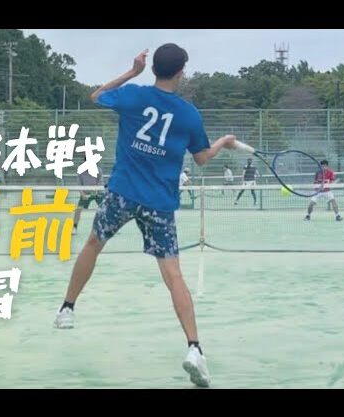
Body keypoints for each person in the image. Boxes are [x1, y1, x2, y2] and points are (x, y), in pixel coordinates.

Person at [52, 44, 238, 387]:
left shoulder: (133, 95)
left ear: (152, 68)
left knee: (93, 244)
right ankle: (194, 348)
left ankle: (67, 308)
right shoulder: (188, 115)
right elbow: (202, 159)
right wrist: (223, 142)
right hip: (159, 204)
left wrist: (131, 72)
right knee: (173, 274)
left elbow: (96, 95)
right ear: (180, 72)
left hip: (122, 193)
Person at [73, 159, 104, 235]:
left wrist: (96, 191)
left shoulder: (98, 170)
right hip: (85, 193)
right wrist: (83, 194)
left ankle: (108, 227)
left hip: (97, 193)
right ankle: (74, 227)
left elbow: (100, 183)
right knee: (78, 210)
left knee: (105, 209)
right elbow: (79, 185)